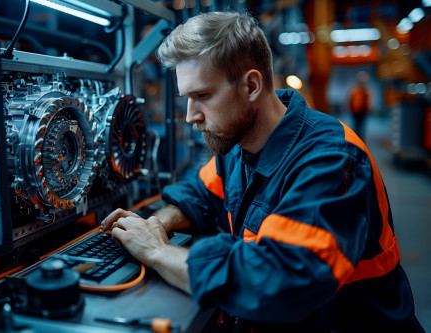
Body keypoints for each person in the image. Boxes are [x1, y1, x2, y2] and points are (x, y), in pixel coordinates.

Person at [101, 11, 424, 332]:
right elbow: (198, 196)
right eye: (187, 99)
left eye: (202, 96)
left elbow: (278, 283)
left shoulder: (330, 159)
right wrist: (156, 224)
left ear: (251, 86)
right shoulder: (239, 147)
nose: (190, 117)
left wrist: (158, 252)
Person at [348, 71, 371, 140]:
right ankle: (356, 138)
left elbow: (368, 101)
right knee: (356, 126)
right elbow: (350, 99)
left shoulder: (366, 90)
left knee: (361, 126)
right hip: (355, 111)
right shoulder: (354, 89)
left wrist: (368, 109)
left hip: (363, 111)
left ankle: (360, 139)